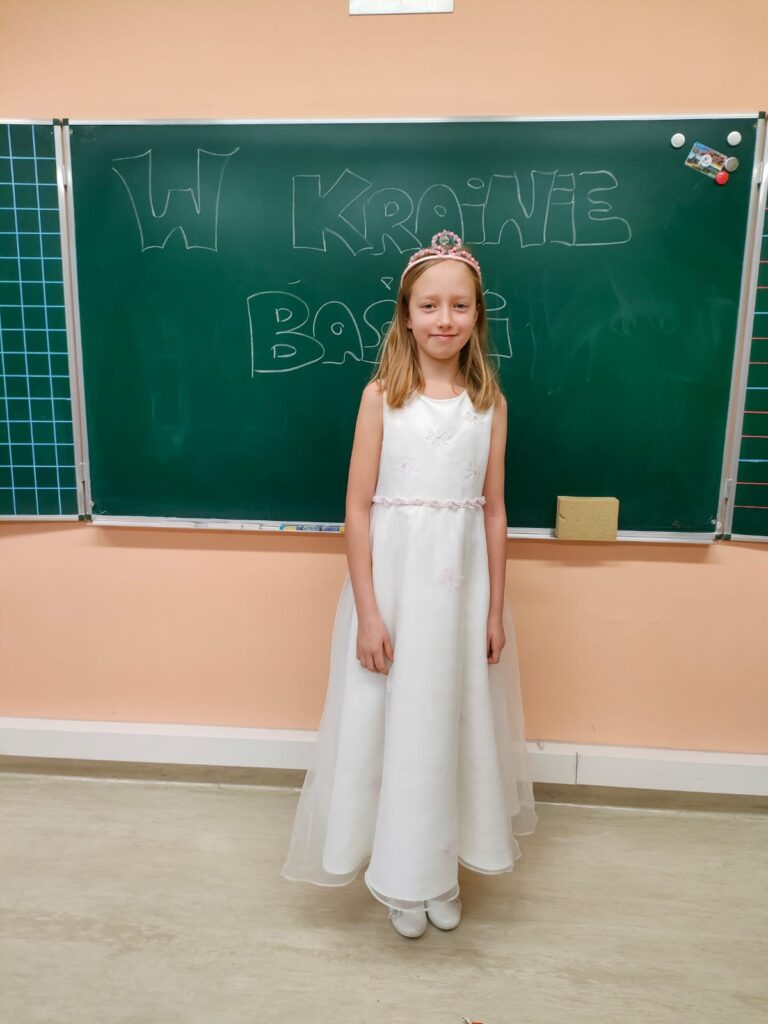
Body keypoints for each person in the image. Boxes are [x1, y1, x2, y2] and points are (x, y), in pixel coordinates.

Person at [281, 230, 537, 939]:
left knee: (448, 724)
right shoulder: (380, 399)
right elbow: (358, 509)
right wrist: (369, 614)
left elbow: (493, 510)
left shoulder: (489, 404)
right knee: (393, 727)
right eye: (429, 305)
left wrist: (494, 609)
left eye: (460, 305)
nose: (444, 319)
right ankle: (400, 881)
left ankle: (439, 871)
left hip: (459, 597)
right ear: (407, 314)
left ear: (477, 315)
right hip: (394, 593)